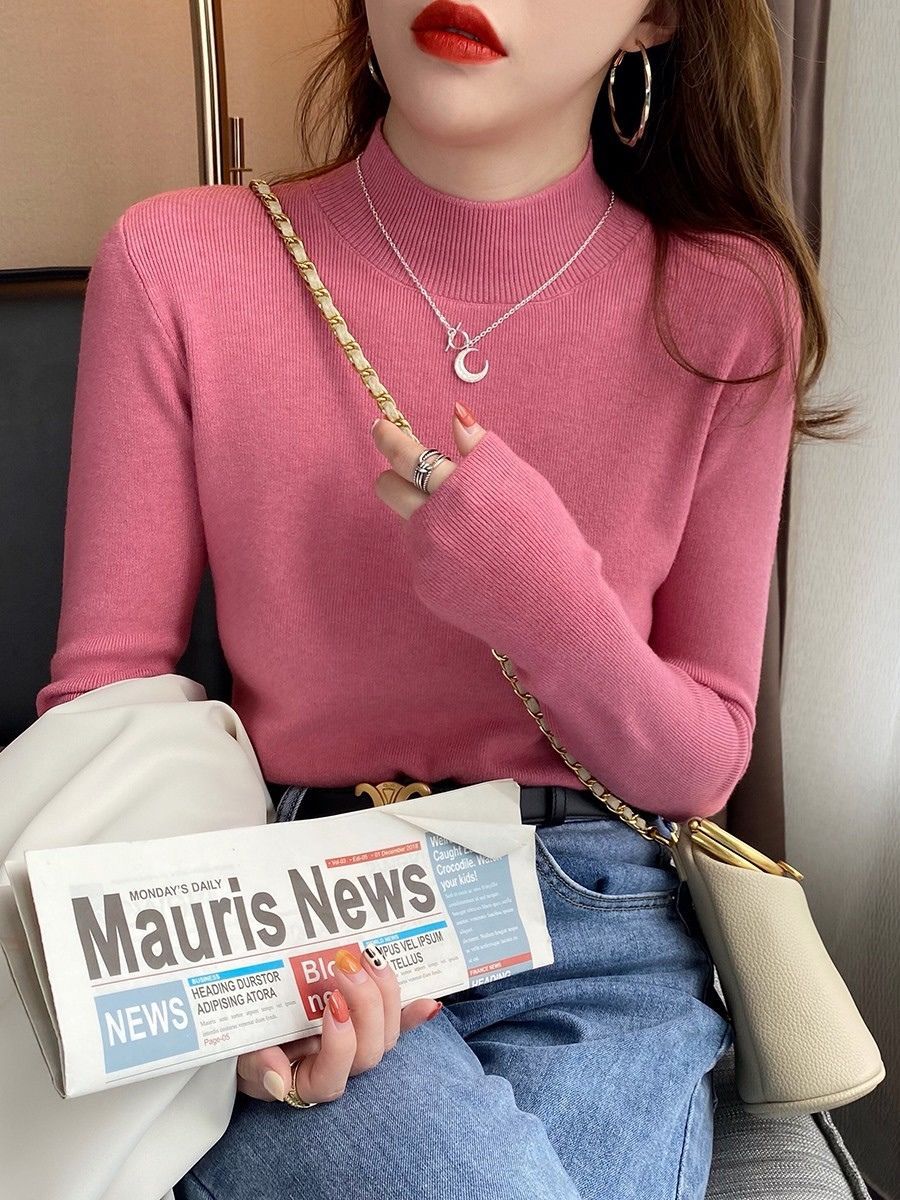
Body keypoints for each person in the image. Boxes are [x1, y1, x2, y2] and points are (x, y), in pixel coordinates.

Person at [35, 1, 839, 1197]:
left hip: (598, 925)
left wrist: (540, 594)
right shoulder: (181, 260)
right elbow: (107, 704)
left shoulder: (726, 301)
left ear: (657, 17)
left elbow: (701, 764)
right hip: (301, 914)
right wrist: (208, 992)